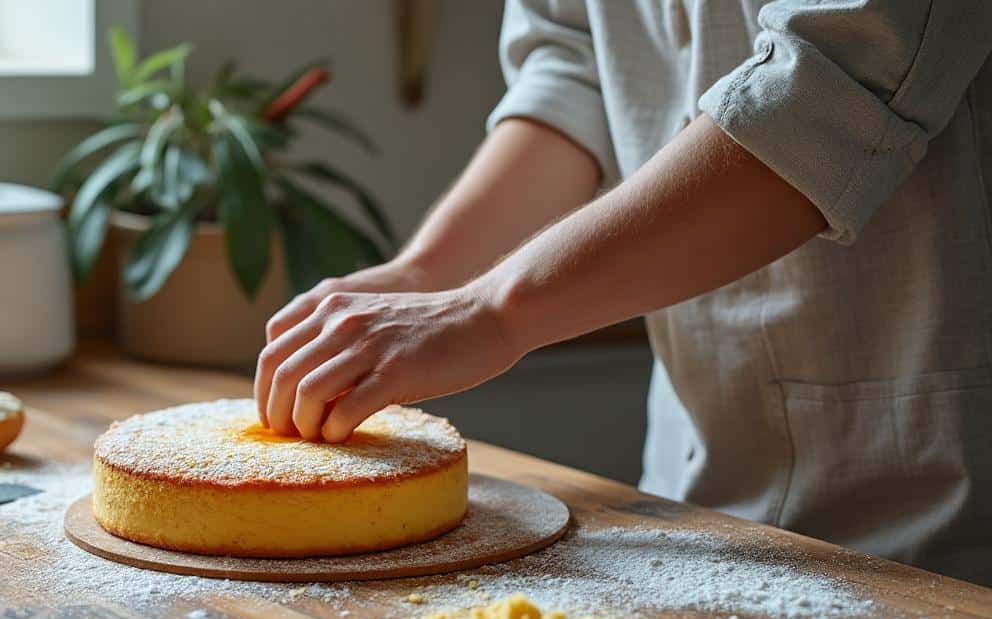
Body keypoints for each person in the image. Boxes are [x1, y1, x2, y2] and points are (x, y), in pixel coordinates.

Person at [252, 1, 992, 586]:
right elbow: (574, 67)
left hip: (940, 503)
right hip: (690, 496)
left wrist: (491, 310)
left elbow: (830, 85)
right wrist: (430, 274)